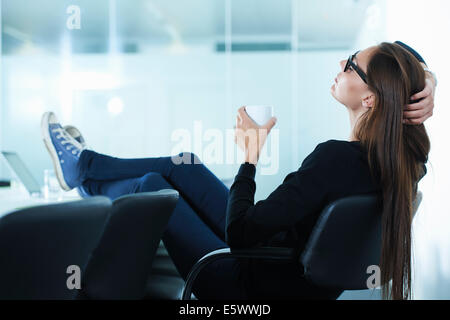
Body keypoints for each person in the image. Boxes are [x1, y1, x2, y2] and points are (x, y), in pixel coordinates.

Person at [41, 41, 435, 300]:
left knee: (152, 186)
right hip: (273, 264)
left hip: (243, 284)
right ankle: (84, 168)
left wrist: (250, 156)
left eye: (351, 65)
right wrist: (427, 80)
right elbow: (405, 60)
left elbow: (241, 231)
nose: (340, 64)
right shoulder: (407, 165)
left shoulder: (335, 159)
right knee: (187, 165)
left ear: (369, 98)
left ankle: (83, 173)